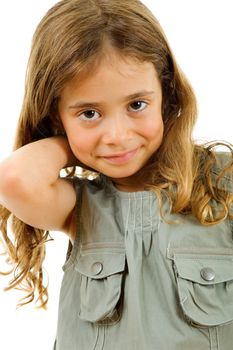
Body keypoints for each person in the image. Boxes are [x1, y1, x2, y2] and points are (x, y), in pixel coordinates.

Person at [0, 0, 233, 349]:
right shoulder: (80, 207)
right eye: (90, 112)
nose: (118, 136)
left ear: (166, 95)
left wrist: (84, 131)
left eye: (136, 105)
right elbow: (15, 178)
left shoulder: (220, 184)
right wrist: (71, 141)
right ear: (55, 115)